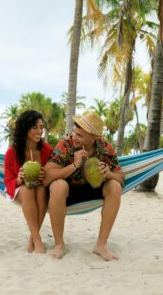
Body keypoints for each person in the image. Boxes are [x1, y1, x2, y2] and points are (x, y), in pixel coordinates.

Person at [43, 111, 125, 261]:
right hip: (68, 192)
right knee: (58, 186)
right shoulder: (66, 145)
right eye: (74, 132)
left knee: (115, 186)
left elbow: (121, 177)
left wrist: (109, 174)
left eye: (79, 135)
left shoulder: (104, 148)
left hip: (93, 190)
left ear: (93, 138)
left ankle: (101, 245)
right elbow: (47, 177)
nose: (74, 137)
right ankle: (59, 244)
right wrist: (74, 165)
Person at [4, 110, 53, 253]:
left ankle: (32, 239)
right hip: (20, 189)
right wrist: (19, 178)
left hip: (40, 188)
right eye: (35, 127)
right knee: (27, 190)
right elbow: (8, 181)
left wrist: (45, 174)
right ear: (25, 128)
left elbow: (53, 170)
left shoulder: (47, 150)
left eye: (42, 127)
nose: (40, 131)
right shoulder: (12, 153)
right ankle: (38, 242)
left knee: (41, 190)